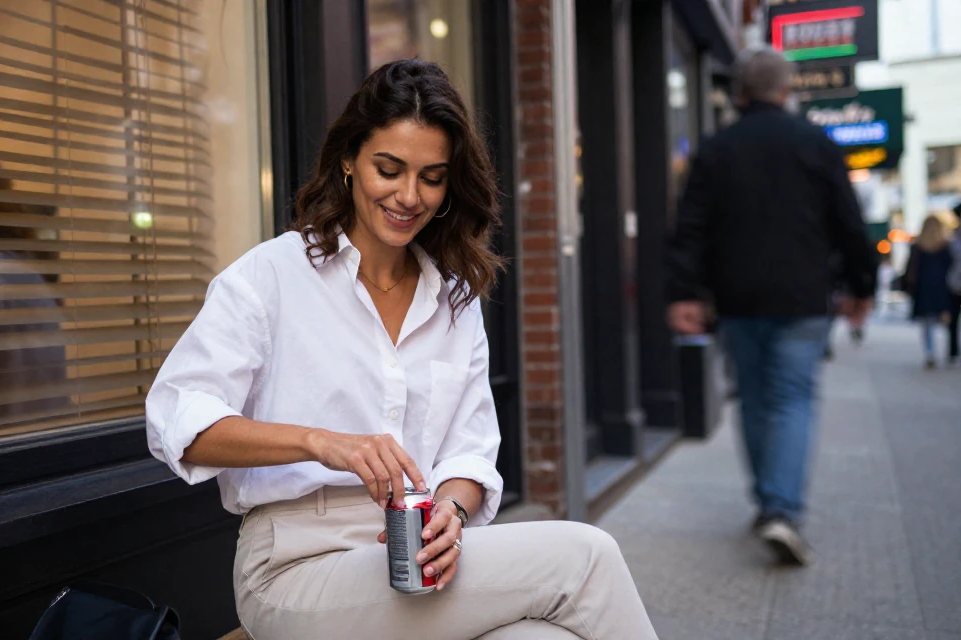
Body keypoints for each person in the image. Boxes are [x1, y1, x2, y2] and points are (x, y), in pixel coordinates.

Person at [146, 60, 657, 639]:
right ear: (349, 160)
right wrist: (322, 442)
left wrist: (451, 512)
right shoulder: (271, 276)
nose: (408, 196)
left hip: (413, 554)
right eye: (388, 169)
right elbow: (178, 417)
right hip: (295, 566)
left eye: (432, 177)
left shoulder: (454, 301)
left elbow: (470, 452)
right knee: (586, 556)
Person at [667, 47, 877, 567]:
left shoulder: (716, 149)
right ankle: (780, 508)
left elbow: (689, 229)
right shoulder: (817, 143)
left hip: (737, 300)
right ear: (786, 91)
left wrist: (684, 292)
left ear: (738, 94)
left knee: (757, 400)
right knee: (792, 399)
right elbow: (850, 223)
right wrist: (862, 286)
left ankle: (769, 502)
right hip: (803, 299)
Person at [903, 215, 955, 369]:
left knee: (928, 325)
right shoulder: (945, 247)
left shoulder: (919, 247)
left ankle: (930, 352)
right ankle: (951, 352)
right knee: (947, 323)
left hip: (924, 289)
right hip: (942, 289)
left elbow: (911, 270)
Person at [947, 204, 961, 365]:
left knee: (953, 320)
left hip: (954, 282)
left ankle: (953, 352)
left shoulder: (955, 237)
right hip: (954, 283)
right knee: (953, 320)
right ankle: (953, 351)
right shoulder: (954, 236)